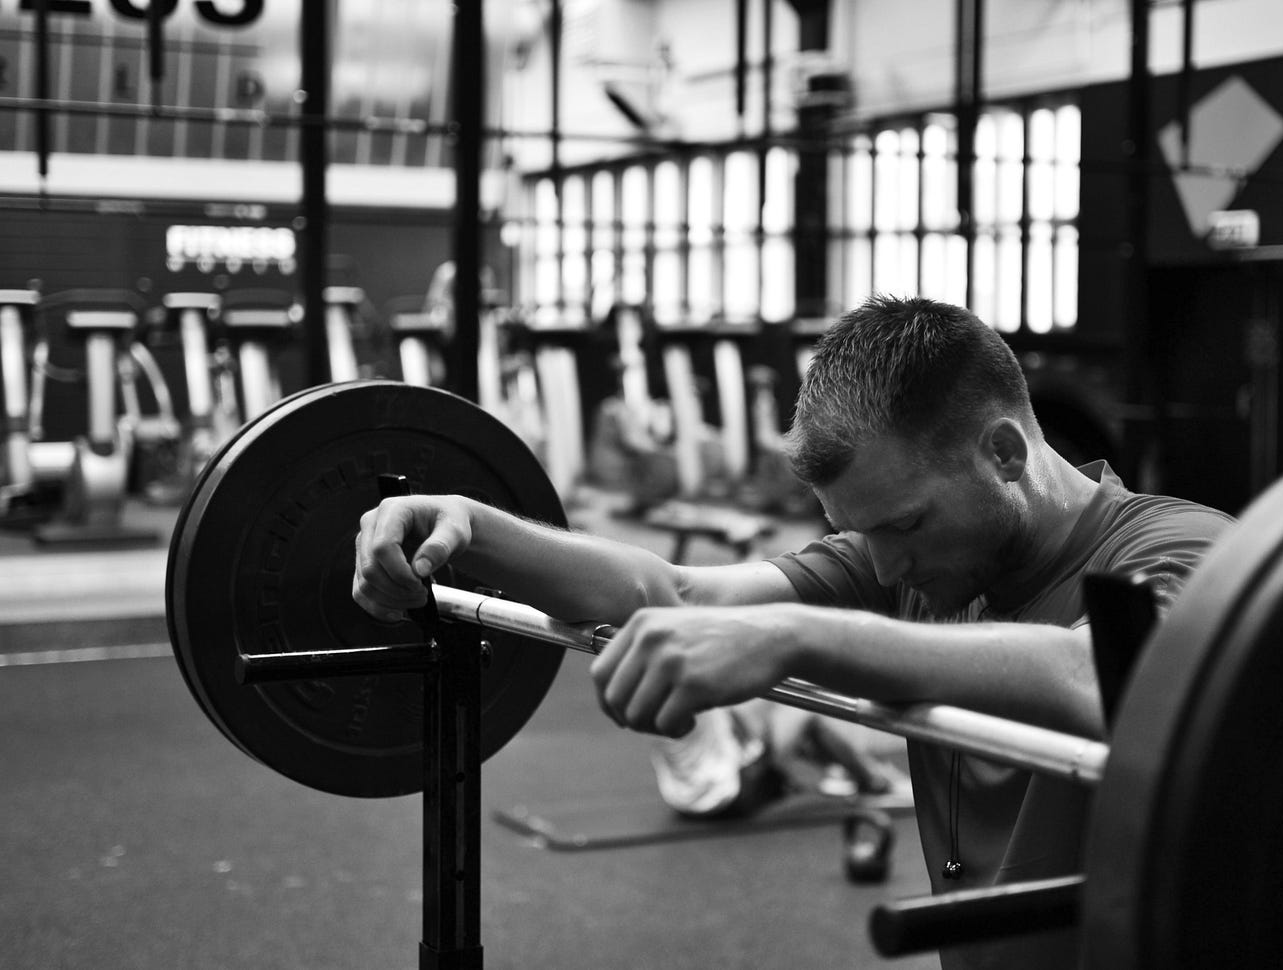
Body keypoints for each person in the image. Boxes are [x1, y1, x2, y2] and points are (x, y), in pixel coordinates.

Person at [353, 295, 1234, 969]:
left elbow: (1104, 673)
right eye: (866, 534)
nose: (885, 570)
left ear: (1005, 453)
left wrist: (800, 638)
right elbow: (681, 595)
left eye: (906, 527)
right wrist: (472, 526)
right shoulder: (921, 558)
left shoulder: (1180, 548)